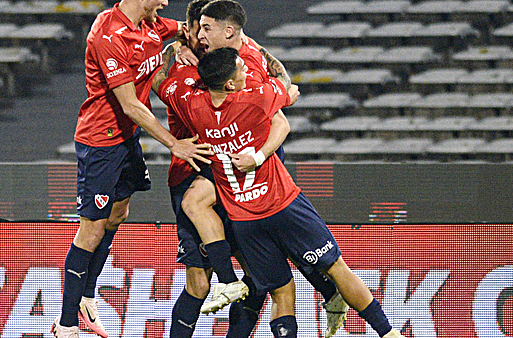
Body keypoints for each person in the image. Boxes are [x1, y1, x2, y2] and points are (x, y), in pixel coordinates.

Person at [155, 47, 406, 338]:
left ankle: (230, 280)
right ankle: (387, 333)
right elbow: (285, 83)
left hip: (244, 220)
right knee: (337, 267)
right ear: (230, 85)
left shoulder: (190, 105)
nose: (246, 71)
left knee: (282, 291)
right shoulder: (256, 100)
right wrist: (264, 55)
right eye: (241, 69)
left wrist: (170, 50)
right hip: (283, 205)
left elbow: (161, 81)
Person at [160, 1, 347, 336]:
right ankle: (326, 287)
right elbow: (283, 85)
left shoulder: (242, 65)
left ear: (225, 30)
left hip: (244, 172)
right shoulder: (195, 66)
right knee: (199, 281)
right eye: (197, 29)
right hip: (194, 171)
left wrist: (258, 157)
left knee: (260, 272)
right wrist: (173, 51)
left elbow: (280, 117)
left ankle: (326, 287)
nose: (202, 36)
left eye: (207, 28)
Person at [51, 1, 213, 337]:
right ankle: (66, 324)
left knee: (119, 213)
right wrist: (174, 143)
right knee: (92, 230)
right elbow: (129, 104)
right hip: (101, 142)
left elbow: (182, 31)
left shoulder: (150, 23)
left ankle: (87, 295)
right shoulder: (108, 34)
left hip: (127, 139)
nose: (166, 2)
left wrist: (180, 46)